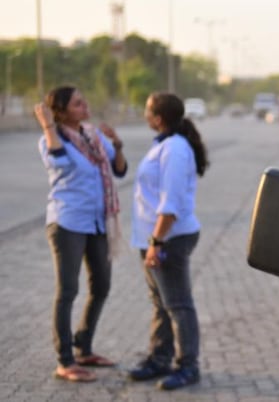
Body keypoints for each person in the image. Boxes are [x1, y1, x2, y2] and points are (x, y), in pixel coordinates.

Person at [34, 86, 128, 382]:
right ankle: (65, 360)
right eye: (77, 103)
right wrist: (49, 126)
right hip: (68, 222)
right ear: (60, 112)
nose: (84, 105)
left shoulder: (93, 135)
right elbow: (59, 161)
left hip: (98, 222)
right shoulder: (50, 139)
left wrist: (118, 144)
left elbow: (119, 170)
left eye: (83, 100)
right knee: (68, 291)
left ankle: (84, 347)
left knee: (101, 285)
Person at [127, 92, 209, 391]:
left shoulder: (174, 149)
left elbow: (170, 203)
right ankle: (159, 358)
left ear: (158, 118)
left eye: (147, 110)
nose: (144, 114)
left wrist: (157, 242)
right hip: (155, 238)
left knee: (177, 305)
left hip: (169, 239)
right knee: (160, 304)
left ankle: (188, 366)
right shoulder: (163, 144)